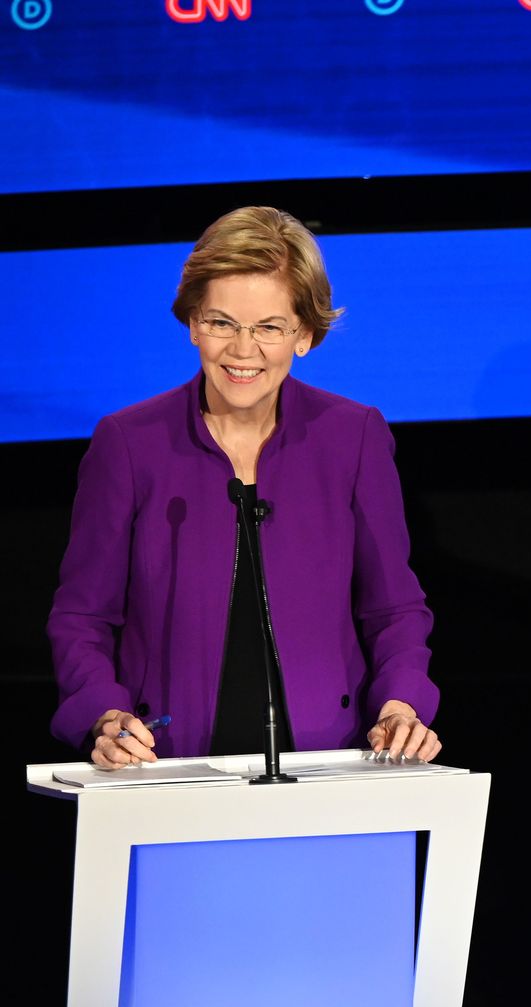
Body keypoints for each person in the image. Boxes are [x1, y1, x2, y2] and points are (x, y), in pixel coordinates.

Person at [48, 206, 442, 769]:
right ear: (192, 323)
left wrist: (400, 704)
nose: (242, 349)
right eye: (222, 322)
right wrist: (104, 715)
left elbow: (394, 608)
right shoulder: (129, 443)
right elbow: (82, 617)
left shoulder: (352, 436)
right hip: (166, 767)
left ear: (304, 334)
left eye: (269, 328)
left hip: (329, 764)